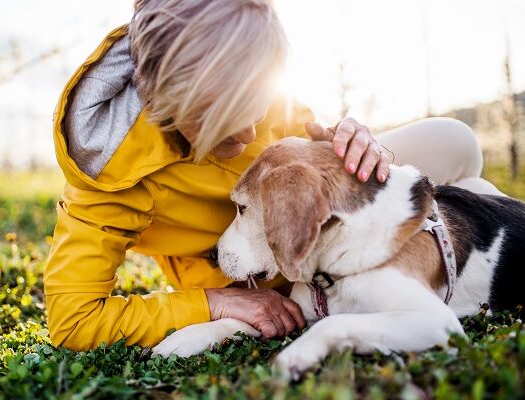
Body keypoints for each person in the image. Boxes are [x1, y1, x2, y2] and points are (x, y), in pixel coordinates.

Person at [44, 0, 502, 351]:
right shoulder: (107, 171)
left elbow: (309, 144)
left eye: (257, 107)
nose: (250, 133)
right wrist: (216, 303)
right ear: (168, 102)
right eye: (225, 120)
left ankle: (454, 256)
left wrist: (354, 146)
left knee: (455, 142)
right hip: (246, 268)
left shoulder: (253, 80)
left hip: (323, 231)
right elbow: (73, 320)